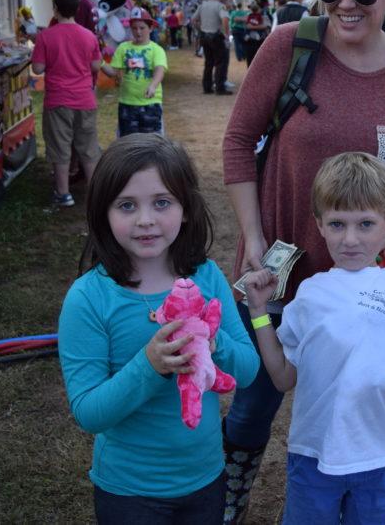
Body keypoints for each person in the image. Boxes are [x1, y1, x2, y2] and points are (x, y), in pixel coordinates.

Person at [221, 0, 385, 523]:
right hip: (278, 269)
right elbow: (239, 144)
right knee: (255, 403)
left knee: (353, 402)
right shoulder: (291, 46)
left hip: (363, 280)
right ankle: (228, 501)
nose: (344, 4)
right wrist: (257, 242)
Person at [242, 152, 385, 524]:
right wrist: (258, 312)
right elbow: (283, 378)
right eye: (337, 224)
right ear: (319, 224)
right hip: (313, 454)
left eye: (365, 224)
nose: (349, 239)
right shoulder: (309, 293)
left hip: (379, 457)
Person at [58, 133, 259, 524]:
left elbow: (248, 372)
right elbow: (89, 413)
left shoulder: (206, 277)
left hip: (205, 478)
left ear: (185, 209)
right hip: (129, 490)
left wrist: (214, 343)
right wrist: (149, 365)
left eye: (161, 202)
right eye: (127, 205)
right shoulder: (88, 299)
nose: (146, 220)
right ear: (103, 214)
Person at [30, 0, 103, 207]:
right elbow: (95, 66)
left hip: (58, 100)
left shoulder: (45, 36)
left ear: (55, 8)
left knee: (59, 146)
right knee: (88, 146)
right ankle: (95, 193)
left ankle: (63, 193)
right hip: (85, 99)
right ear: (77, 9)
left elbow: (38, 68)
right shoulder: (88, 35)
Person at [102, 8, 167, 137]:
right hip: (127, 103)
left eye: (142, 28)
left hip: (151, 103)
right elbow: (113, 72)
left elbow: (160, 69)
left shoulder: (156, 50)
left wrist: (153, 85)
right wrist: (100, 62)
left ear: (150, 28)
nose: (138, 32)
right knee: (128, 141)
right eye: (134, 28)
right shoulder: (123, 48)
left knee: (152, 141)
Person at [191, 0, 232, 95]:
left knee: (208, 62)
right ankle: (219, 87)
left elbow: (194, 20)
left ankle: (207, 87)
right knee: (220, 62)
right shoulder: (220, 6)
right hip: (216, 36)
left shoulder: (202, 5)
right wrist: (226, 35)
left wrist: (200, 30)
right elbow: (225, 20)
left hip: (204, 36)